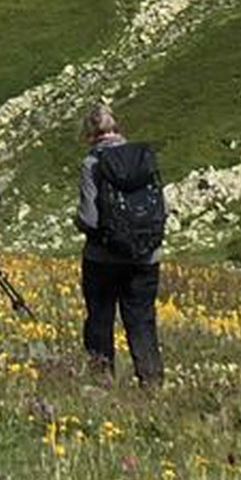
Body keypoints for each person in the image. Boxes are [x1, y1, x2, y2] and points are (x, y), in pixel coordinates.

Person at [77, 99, 165, 385]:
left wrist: (77, 221)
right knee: (141, 319)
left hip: (103, 258)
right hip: (146, 256)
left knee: (100, 318)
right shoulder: (143, 157)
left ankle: (102, 379)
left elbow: (90, 218)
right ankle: (151, 380)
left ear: (90, 134)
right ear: (117, 127)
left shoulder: (92, 163)